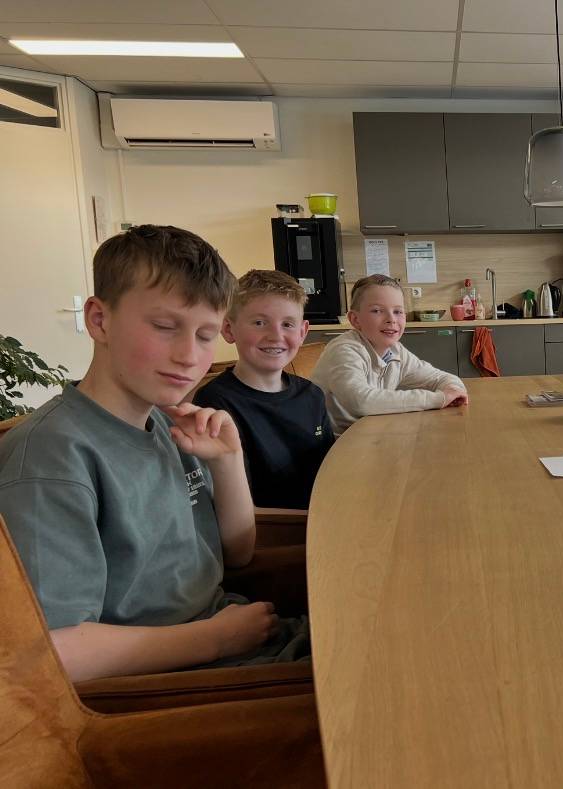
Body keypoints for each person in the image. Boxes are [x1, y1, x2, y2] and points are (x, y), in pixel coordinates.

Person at [0, 225, 309, 683]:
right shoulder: (52, 458)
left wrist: (227, 461)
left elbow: (238, 554)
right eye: (165, 327)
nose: (189, 355)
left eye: (206, 335)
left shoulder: (167, 425)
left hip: (245, 636)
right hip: (180, 680)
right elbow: (50, 651)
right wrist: (216, 639)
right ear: (99, 320)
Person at [193, 270, 334, 511]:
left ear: (302, 332)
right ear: (228, 329)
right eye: (259, 323)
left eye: (287, 324)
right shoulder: (214, 403)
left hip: (324, 511)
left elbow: (329, 470)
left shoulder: (312, 394)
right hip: (276, 526)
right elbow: (229, 502)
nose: (275, 336)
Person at [312, 274, 468, 434]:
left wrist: (453, 390)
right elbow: (361, 402)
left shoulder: (396, 351)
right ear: (355, 319)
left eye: (398, 311)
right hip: (333, 442)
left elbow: (441, 378)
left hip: (370, 433)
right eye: (377, 310)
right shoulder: (344, 350)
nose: (391, 319)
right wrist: (439, 399)